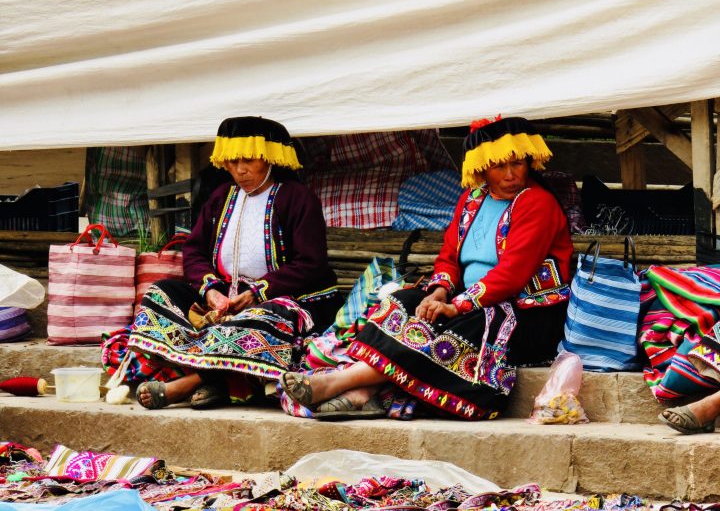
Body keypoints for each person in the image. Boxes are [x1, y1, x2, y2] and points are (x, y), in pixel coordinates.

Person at [281, 116, 574, 420]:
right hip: (472, 300)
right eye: (500, 166)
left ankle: (340, 382)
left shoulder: (537, 203)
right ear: (482, 167)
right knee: (405, 302)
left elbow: (512, 273)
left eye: (518, 163)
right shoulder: (472, 200)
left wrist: (457, 306)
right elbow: (449, 256)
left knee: (458, 327)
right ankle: (363, 394)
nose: (512, 174)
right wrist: (438, 293)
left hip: (526, 314)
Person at [129, 116, 342, 409]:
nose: (239, 170)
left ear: (270, 156)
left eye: (248, 160)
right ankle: (219, 377)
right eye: (232, 161)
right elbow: (194, 251)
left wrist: (258, 293)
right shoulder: (221, 197)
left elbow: (310, 263)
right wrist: (210, 290)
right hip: (226, 299)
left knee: (258, 322)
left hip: (287, 299)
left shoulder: (297, 198)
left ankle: (194, 382)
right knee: (158, 295)